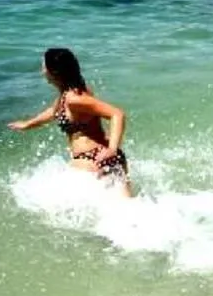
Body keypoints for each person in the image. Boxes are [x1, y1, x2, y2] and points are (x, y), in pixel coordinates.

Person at [9, 46, 134, 196]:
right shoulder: (69, 93)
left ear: (53, 72)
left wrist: (112, 149)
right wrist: (27, 124)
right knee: (126, 209)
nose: (42, 69)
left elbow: (117, 114)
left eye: (44, 65)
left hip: (94, 159)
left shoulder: (74, 99)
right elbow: (53, 112)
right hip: (102, 158)